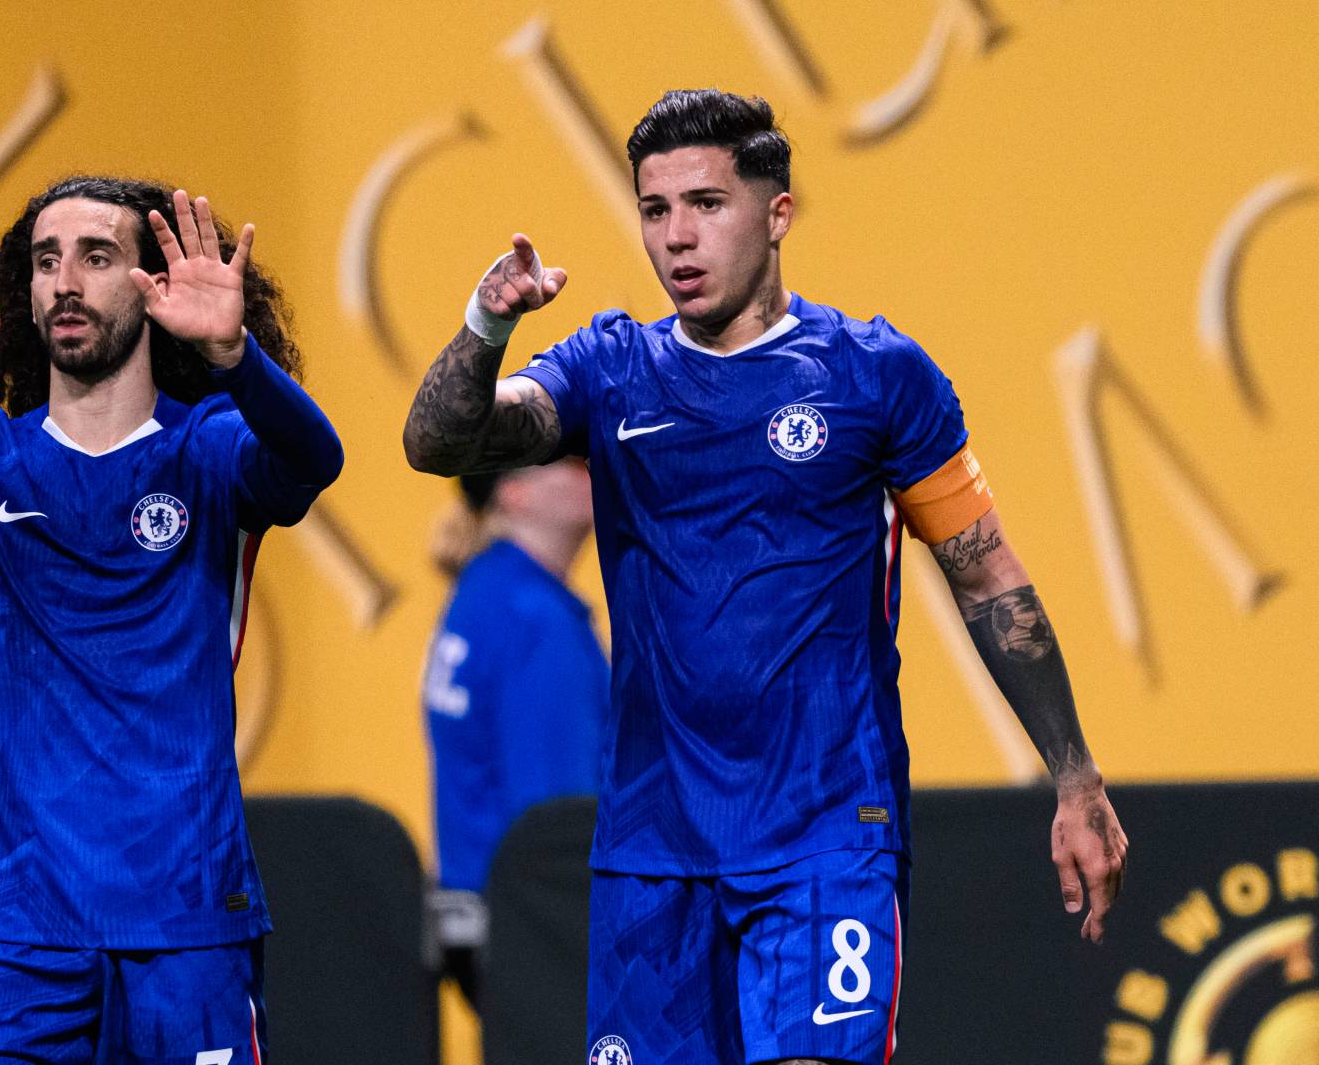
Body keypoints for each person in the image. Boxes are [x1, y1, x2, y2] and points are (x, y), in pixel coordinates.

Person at [402, 89, 1128, 1064]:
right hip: (653, 854)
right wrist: (485, 328)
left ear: (777, 213)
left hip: (826, 835)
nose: (676, 236)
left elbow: (987, 576)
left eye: (706, 203)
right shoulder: (610, 368)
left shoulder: (877, 376)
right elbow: (438, 443)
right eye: (655, 209)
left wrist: (1074, 775)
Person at [0, 176, 342, 1062]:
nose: (65, 283)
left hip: (185, 922)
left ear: (153, 286)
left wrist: (238, 358)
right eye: (46, 262)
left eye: (96, 257)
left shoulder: (210, 447)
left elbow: (314, 459)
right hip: (7, 934)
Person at [421, 461, 609, 1005]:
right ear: (515, 491)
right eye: (568, 462)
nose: (589, 470)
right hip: (536, 929)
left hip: (481, 920)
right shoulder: (536, 618)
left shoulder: (483, 588)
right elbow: (560, 822)